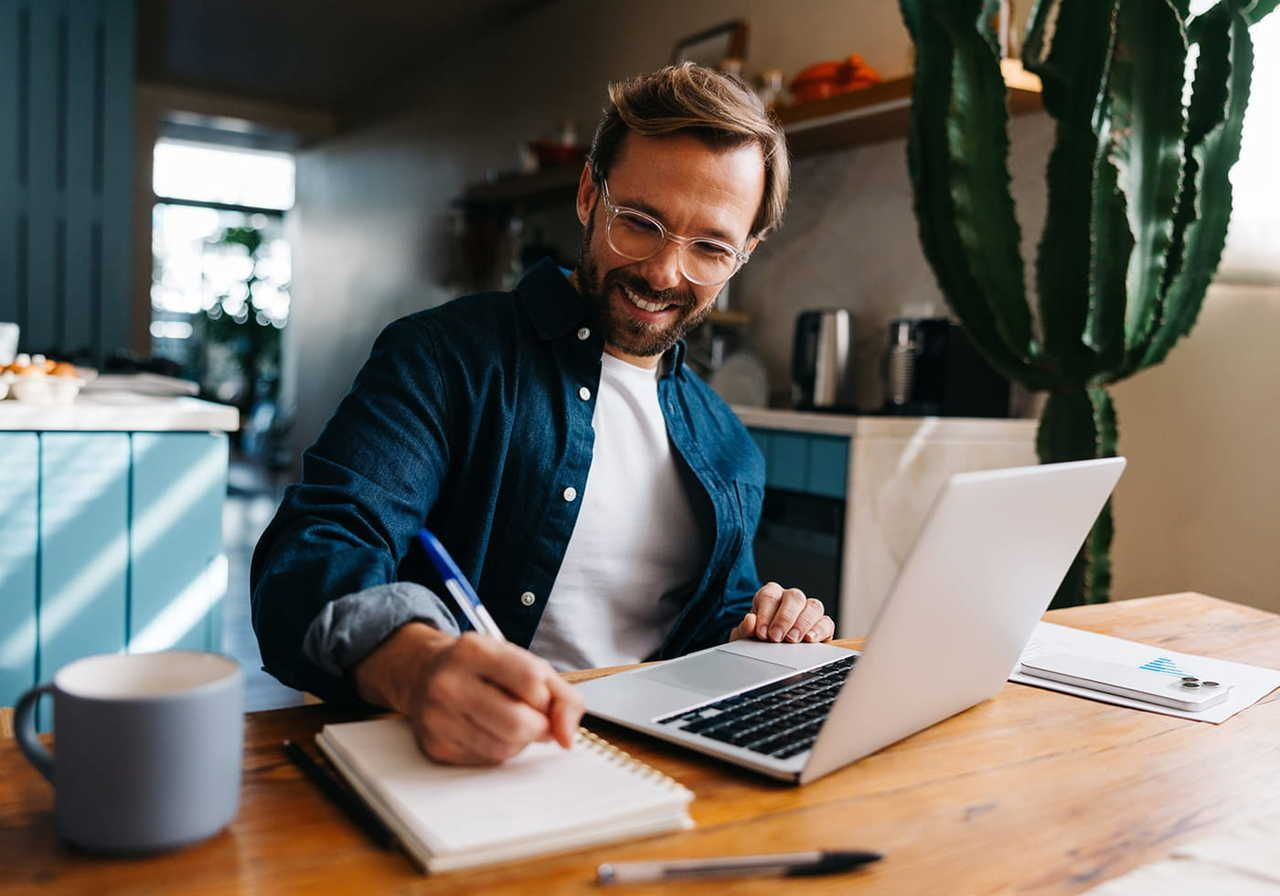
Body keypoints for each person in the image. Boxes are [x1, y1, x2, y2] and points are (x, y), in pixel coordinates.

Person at [250, 63, 835, 766]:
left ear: (744, 253)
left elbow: (710, 619)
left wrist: (765, 626)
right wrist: (416, 665)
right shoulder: (444, 357)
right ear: (591, 194)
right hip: (462, 756)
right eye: (641, 223)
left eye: (709, 248)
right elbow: (309, 554)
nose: (663, 272)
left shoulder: (728, 441)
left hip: (655, 763)